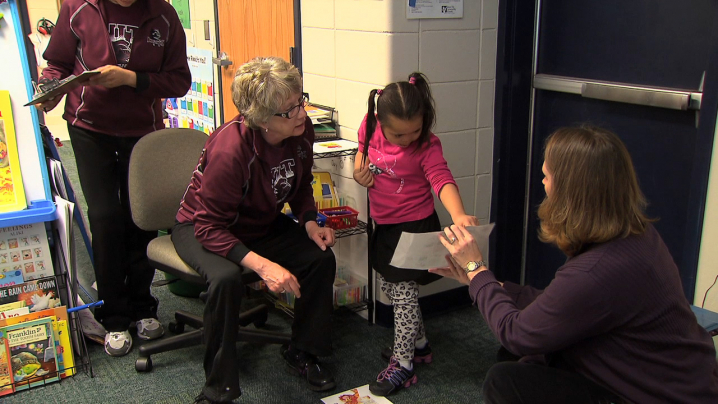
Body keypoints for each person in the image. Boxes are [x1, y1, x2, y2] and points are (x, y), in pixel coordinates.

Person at [431, 126, 718, 403]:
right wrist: (482, 282)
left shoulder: (596, 270)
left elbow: (516, 333)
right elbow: (566, 306)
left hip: (656, 396)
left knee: (505, 381)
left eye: (547, 176)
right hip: (683, 379)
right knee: (526, 358)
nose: (542, 182)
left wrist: (477, 270)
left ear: (571, 191)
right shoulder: (636, 234)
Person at [172, 56, 337, 404]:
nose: (301, 114)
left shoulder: (299, 130)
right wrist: (264, 266)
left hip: (257, 223)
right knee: (226, 278)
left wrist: (309, 221)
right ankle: (219, 389)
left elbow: (301, 182)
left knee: (319, 258)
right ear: (261, 120)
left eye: (300, 102)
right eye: (289, 110)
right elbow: (208, 225)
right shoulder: (232, 150)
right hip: (203, 226)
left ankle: (302, 351)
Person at [38, 0, 191, 357]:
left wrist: (130, 78)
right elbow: (57, 64)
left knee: (140, 218)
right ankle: (114, 315)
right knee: (106, 217)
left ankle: (142, 306)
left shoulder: (163, 14)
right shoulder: (79, 7)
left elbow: (180, 80)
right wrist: (50, 88)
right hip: (90, 127)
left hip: (143, 130)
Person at [353, 72, 479, 397]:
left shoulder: (427, 145)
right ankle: (420, 345)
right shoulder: (370, 125)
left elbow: (441, 177)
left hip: (416, 226)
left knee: (403, 294)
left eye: (416, 131)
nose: (408, 139)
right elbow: (362, 150)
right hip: (386, 225)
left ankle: (405, 363)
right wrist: (358, 172)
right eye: (399, 134)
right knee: (394, 289)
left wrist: (458, 213)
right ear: (380, 120)